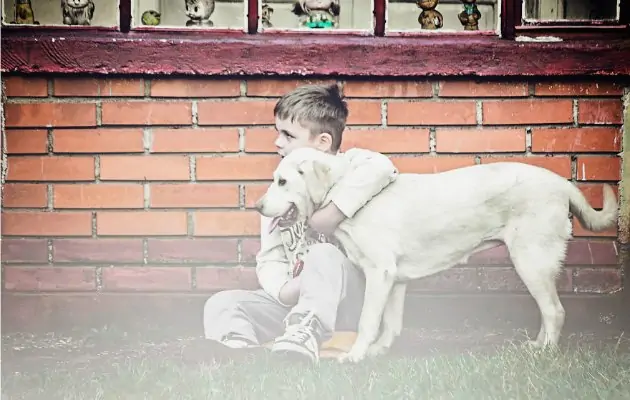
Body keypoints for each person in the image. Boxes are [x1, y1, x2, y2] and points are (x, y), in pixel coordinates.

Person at [202, 83, 399, 364]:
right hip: (296, 302)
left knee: (323, 254)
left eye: (288, 135)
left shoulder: (349, 169)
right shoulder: (280, 196)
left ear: (322, 143)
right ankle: (240, 350)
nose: (278, 142)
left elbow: (382, 167)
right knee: (222, 302)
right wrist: (285, 288)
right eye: (277, 132)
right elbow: (270, 259)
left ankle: (307, 332)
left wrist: (330, 214)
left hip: (351, 303)